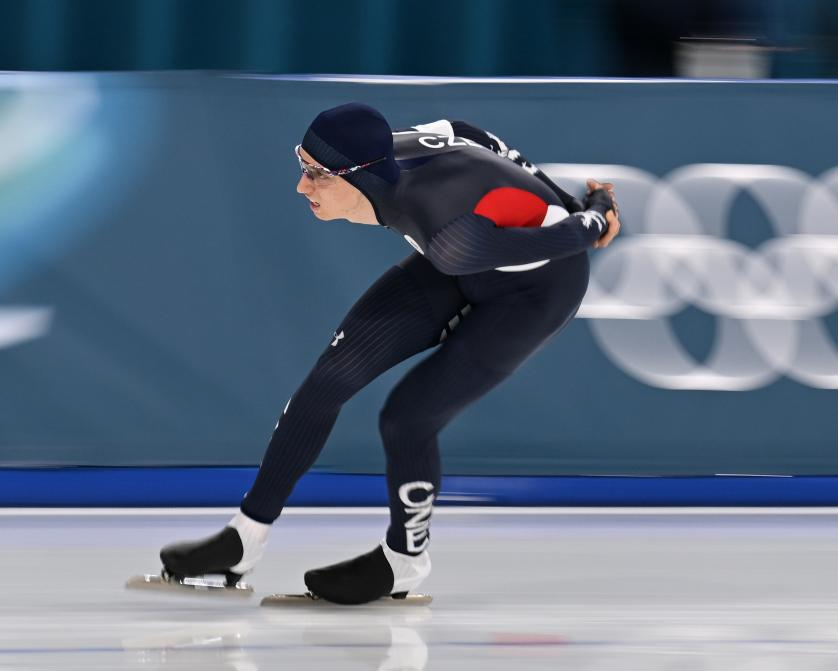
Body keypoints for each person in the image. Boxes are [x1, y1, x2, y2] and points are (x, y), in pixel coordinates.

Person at [158, 103, 621, 605]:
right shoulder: (392, 150)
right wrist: (566, 197)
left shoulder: (450, 238)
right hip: (461, 254)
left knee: (407, 419)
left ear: (359, 176)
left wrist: (595, 211)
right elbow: (469, 132)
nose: (301, 186)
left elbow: (568, 239)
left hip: (534, 292)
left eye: (317, 174)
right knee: (326, 383)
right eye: (302, 165)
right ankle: (243, 539)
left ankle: (405, 560)